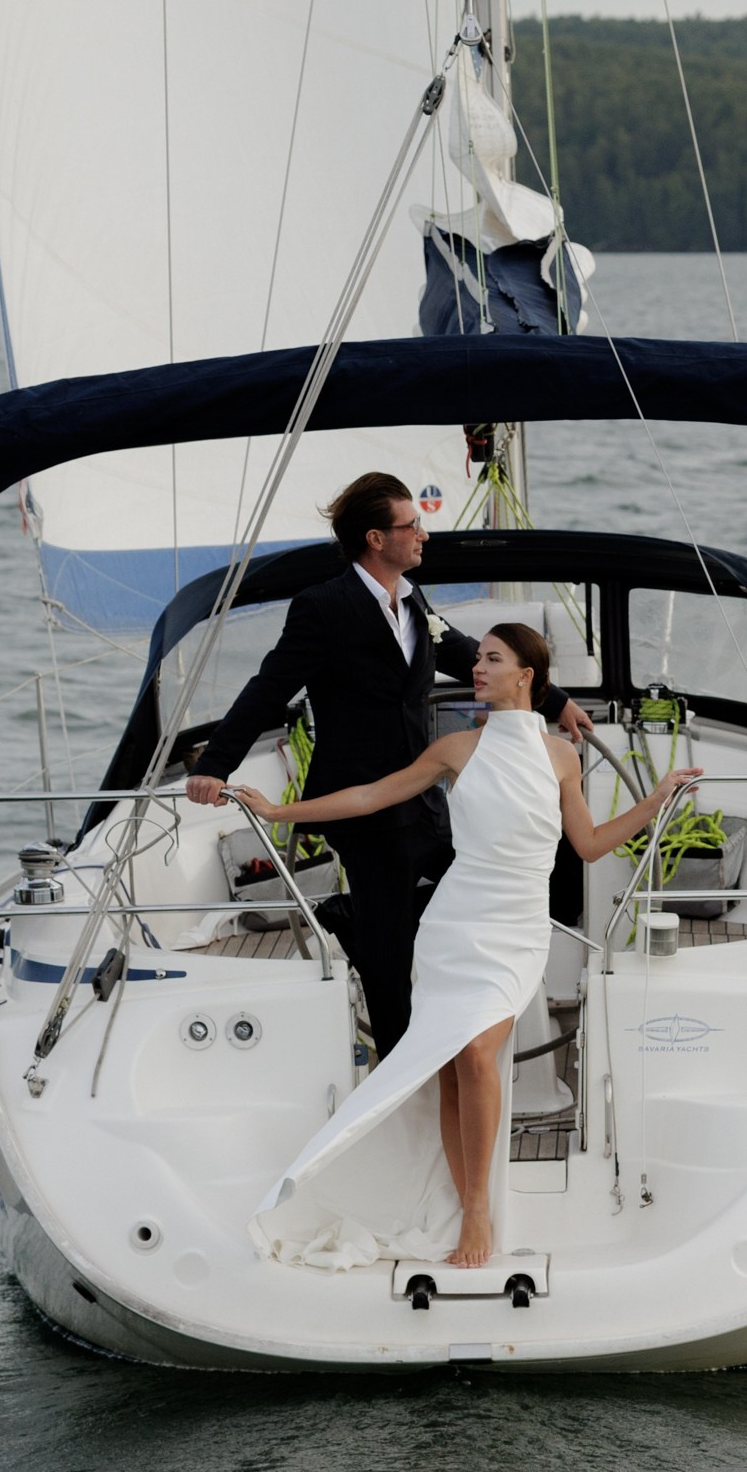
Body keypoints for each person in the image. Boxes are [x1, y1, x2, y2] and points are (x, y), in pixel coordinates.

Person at [218, 620, 699, 1271]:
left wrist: (658, 801)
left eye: (491, 659)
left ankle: (476, 1210)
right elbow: (371, 795)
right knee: (452, 1063)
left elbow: (588, 845)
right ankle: (470, 1200)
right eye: (479, 659)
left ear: (525, 675)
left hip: (516, 931)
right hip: (454, 927)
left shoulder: (563, 757)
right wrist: (280, 813)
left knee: (476, 1054)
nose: (477, 667)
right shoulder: (456, 748)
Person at [184, 473, 594, 1058]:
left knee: (538, 878)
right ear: (376, 538)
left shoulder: (412, 599)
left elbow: (466, 655)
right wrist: (216, 765)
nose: (423, 534)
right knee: (389, 958)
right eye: (412, 525)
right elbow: (268, 687)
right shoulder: (324, 607)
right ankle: (404, 1069)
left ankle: (356, 919)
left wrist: (556, 702)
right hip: (365, 803)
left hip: (422, 794)